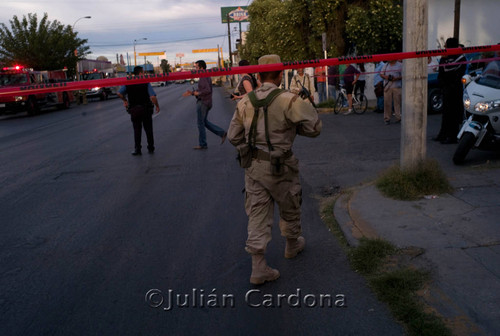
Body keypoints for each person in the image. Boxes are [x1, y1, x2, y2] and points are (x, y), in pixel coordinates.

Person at [227, 54, 322, 285]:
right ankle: (291, 245)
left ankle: (258, 267)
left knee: (258, 212)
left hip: (253, 167)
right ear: (280, 75)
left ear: (258, 76)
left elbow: (232, 135)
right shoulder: (289, 99)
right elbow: (314, 128)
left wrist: (247, 148)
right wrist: (292, 128)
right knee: (289, 203)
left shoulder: (245, 101)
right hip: (282, 166)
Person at [182, 60, 227, 149]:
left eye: (196, 67)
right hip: (207, 102)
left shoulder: (203, 76)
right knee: (204, 122)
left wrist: (197, 93)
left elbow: (207, 90)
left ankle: (203, 144)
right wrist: (192, 93)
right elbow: (204, 89)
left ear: (201, 67)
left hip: (203, 102)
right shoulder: (205, 75)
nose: (195, 69)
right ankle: (221, 133)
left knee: (200, 123)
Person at [117, 66, 160, 155]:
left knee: (137, 130)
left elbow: (119, 93)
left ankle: (137, 149)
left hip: (134, 110)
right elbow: (152, 97)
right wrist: (157, 106)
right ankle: (151, 147)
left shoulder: (128, 82)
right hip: (146, 109)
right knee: (148, 129)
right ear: (140, 73)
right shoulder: (145, 82)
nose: (144, 74)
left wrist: (125, 100)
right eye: (143, 72)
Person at [433, 37, 466, 144]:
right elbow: (442, 73)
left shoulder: (461, 59)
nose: (444, 47)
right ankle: (443, 134)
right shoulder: (445, 58)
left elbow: (455, 74)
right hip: (446, 88)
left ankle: (452, 136)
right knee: (446, 113)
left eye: (447, 45)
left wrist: (448, 82)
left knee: (454, 113)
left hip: (455, 89)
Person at [380, 59, 402, 125]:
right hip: (387, 87)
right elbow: (381, 74)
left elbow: (403, 75)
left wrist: (396, 78)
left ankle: (398, 117)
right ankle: (387, 118)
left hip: (396, 86)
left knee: (397, 103)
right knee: (387, 103)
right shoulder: (386, 65)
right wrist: (387, 77)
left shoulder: (400, 65)